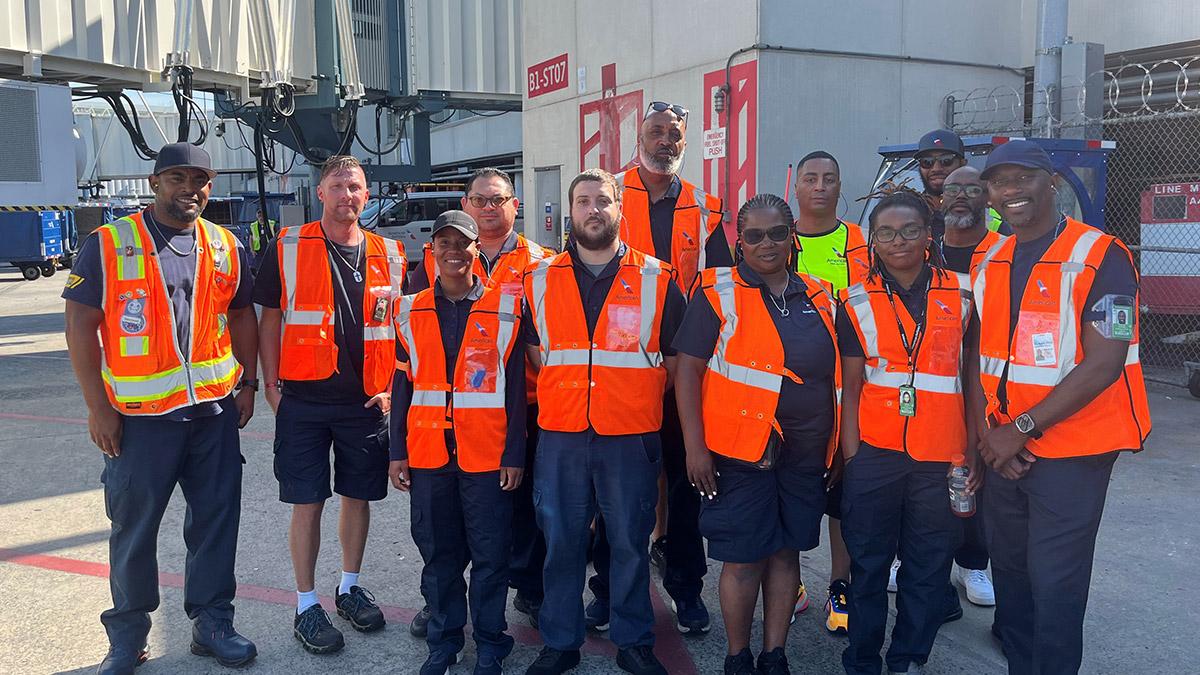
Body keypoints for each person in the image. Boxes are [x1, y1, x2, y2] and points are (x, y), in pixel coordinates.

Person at [63, 143, 259, 673]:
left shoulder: (225, 244)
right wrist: (97, 406)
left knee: (216, 522)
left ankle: (212, 622)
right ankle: (128, 636)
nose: (188, 189)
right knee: (134, 528)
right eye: (177, 177)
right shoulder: (107, 244)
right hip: (139, 420)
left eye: (199, 179)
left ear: (210, 187)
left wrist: (249, 384)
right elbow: (80, 326)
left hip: (213, 414)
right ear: (155, 183)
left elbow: (241, 315)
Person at [971, 140, 1151, 675]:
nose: (1011, 191)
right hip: (1005, 447)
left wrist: (1020, 430)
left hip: (1075, 451)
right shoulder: (991, 258)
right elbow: (980, 357)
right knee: (1012, 576)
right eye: (999, 182)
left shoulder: (1102, 255)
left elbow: (1105, 361)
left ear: (1050, 182)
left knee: (1055, 582)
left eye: (1023, 178)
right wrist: (991, 434)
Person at [522, 169, 685, 675]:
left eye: (604, 201)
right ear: (571, 212)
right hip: (563, 437)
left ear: (620, 211)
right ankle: (561, 642)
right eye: (584, 201)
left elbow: (675, 359)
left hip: (629, 439)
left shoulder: (658, 278)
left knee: (631, 544)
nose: (594, 210)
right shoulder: (540, 278)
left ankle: (633, 641)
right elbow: (534, 354)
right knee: (562, 544)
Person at [674, 194, 842, 675]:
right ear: (739, 241)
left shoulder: (820, 293)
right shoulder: (716, 291)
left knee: (786, 554)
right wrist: (695, 447)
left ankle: (774, 654)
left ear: (792, 237)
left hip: (805, 452)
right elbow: (687, 373)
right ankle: (737, 656)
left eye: (776, 233)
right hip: (737, 454)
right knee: (744, 559)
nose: (766, 243)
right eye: (753, 235)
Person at [254, 155, 406, 655]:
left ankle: (348, 587)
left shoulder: (392, 253)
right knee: (307, 501)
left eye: (356, 187)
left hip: (365, 402)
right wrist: (270, 386)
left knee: (358, 497)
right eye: (337, 186)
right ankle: (305, 603)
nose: (347, 195)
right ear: (320, 193)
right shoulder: (289, 246)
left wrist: (390, 388)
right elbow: (270, 319)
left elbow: (401, 328)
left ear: (367, 195)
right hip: (303, 398)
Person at [588, 100, 729, 637]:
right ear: (638, 138)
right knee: (615, 495)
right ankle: (604, 590)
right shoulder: (610, 195)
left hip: (687, 372)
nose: (664, 141)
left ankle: (687, 587)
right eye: (655, 132)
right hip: (625, 372)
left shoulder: (707, 209)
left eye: (674, 134)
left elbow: (720, 291)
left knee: (689, 488)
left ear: (684, 143)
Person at [406, 168, 553, 637]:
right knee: (448, 524)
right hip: (455, 418)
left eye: (499, 200)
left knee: (525, 513)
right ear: (466, 205)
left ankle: (528, 590)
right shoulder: (436, 261)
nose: (489, 208)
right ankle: (442, 605)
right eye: (480, 200)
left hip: (524, 406)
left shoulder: (543, 262)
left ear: (515, 204)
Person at [837, 191, 979, 675]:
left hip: (943, 457)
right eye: (886, 233)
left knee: (928, 567)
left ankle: (908, 658)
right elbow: (849, 389)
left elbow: (971, 380)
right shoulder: (854, 300)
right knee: (869, 566)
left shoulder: (963, 293)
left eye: (910, 231)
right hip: (875, 455)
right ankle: (861, 657)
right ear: (872, 241)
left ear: (929, 234)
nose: (898, 241)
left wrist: (972, 451)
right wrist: (853, 458)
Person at [389, 210, 527, 675]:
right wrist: (397, 452)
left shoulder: (505, 309)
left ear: (476, 251)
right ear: (432, 252)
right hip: (428, 454)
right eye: (443, 243)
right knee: (439, 555)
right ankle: (444, 642)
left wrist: (514, 453)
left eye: (461, 244)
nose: (453, 251)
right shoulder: (409, 309)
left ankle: (491, 641)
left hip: (487, 455)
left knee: (490, 556)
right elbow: (403, 385)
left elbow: (513, 389)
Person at [789, 149, 868, 634]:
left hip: (848, 388)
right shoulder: (776, 236)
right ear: (796, 186)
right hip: (792, 389)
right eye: (811, 178)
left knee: (843, 493)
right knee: (794, 489)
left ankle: (840, 584)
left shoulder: (859, 242)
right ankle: (791, 584)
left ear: (840, 187)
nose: (820, 186)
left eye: (829, 178)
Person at [914, 129, 969, 244]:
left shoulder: (981, 213)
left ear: (963, 164)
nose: (936, 169)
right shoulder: (909, 211)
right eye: (927, 161)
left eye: (946, 160)